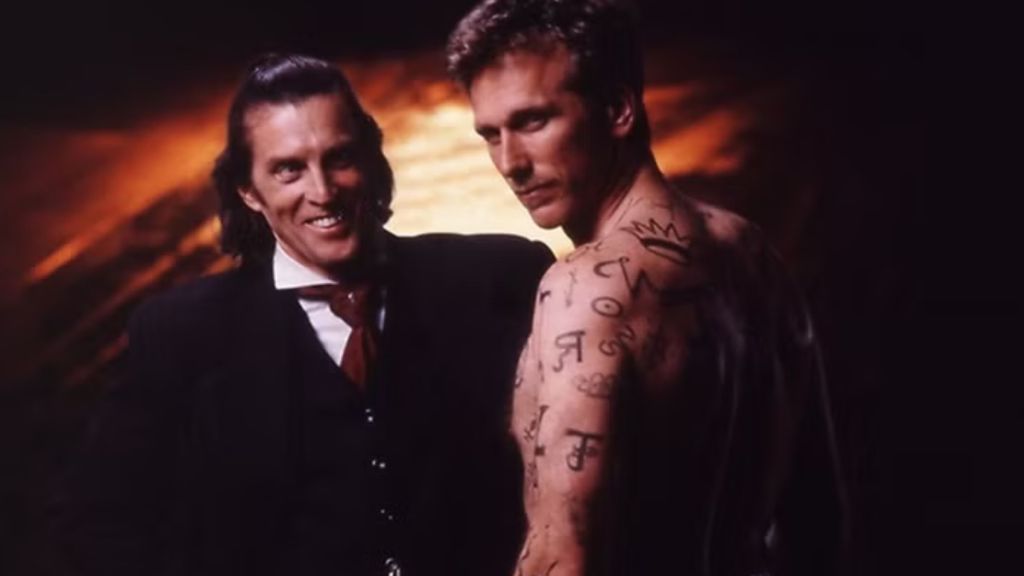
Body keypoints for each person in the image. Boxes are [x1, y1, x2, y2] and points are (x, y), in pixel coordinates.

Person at [52, 53, 553, 576]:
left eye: (340, 158)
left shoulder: (502, 277)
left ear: (371, 160)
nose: (322, 192)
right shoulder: (182, 332)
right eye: (289, 169)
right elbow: (95, 523)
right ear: (249, 191)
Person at [447, 1, 848, 575]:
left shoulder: (582, 290)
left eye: (533, 122)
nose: (511, 163)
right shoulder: (753, 255)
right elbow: (819, 527)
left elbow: (563, 559)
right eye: (491, 135)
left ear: (617, 109)